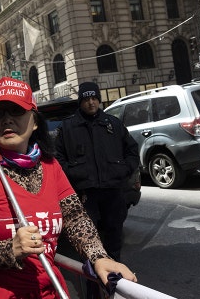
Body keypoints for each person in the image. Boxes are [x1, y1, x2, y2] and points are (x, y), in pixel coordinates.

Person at [0, 77, 136, 298]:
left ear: (34, 121)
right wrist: (8, 250)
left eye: (16, 111)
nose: (7, 119)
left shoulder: (50, 166)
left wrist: (99, 256)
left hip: (44, 291)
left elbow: (75, 218)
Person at [55, 82, 140, 262]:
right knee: (88, 238)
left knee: (114, 235)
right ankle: (92, 278)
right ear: (80, 102)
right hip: (85, 194)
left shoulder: (113, 124)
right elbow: (58, 157)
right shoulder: (68, 127)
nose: (91, 103)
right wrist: (72, 173)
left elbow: (132, 150)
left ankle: (114, 275)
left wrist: (124, 170)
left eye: (94, 98)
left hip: (113, 192)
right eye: (86, 99)